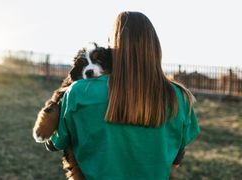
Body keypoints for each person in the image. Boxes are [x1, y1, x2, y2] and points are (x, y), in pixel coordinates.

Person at [49, 11, 200, 179]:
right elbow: (176, 159)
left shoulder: (78, 92)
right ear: (155, 48)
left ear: (112, 48)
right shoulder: (180, 97)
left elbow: (56, 143)